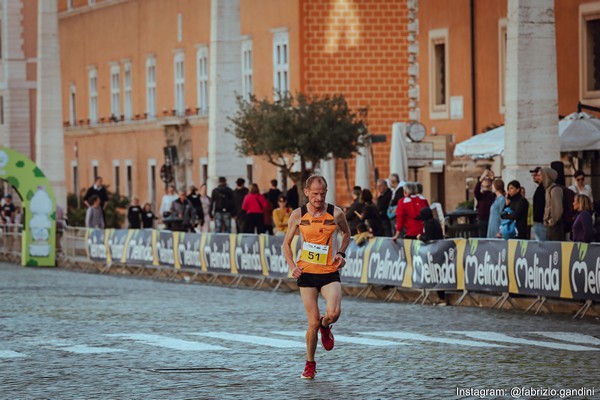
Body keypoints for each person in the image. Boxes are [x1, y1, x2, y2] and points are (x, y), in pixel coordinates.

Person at [282, 175, 351, 380]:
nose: (319, 198)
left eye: (322, 194)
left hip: (329, 272)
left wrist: (341, 253)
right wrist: (292, 266)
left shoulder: (336, 213)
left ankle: (326, 325)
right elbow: (286, 244)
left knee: (335, 312)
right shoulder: (298, 215)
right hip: (307, 273)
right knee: (312, 323)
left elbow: (347, 234)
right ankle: (310, 363)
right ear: (306, 193)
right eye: (315, 194)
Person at [540, 167, 565, 241]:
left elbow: (558, 209)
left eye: (542, 175)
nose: (540, 177)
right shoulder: (548, 189)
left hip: (555, 226)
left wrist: (552, 222)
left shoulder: (555, 189)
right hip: (549, 225)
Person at [474, 169, 497, 238]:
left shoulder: (493, 195)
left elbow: (499, 190)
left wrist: (493, 180)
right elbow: (476, 190)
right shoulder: (480, 195)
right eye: (485, 179)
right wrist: (482, 178)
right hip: (482, 220)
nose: (486, 180)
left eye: (488, 179)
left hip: (492, 220)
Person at [530, 167, 547, 241]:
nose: (534, 177)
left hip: (541, 222)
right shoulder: (539, 188)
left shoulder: (544, 188)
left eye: (537, 175)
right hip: (538, 221)